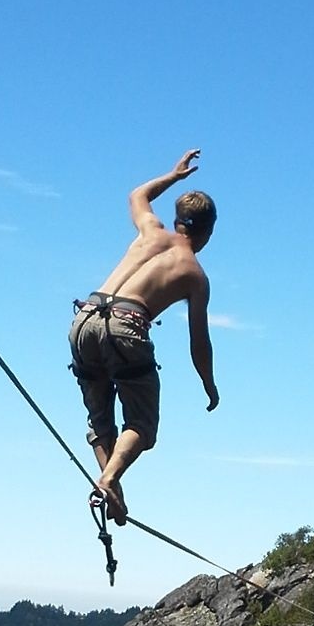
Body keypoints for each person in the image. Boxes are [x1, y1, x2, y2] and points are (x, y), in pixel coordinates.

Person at [69, 149, 218, 525]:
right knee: (141, 426)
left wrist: (173, 176)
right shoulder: (194, 274)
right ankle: (109, 478)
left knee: (101, 421)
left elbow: (137, 195)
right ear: (207, 231)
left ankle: (112, 490)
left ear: (177, 221)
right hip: (127, 326)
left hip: (86, 317)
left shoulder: (150, 231)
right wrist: (209, 385)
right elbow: (199, 342)